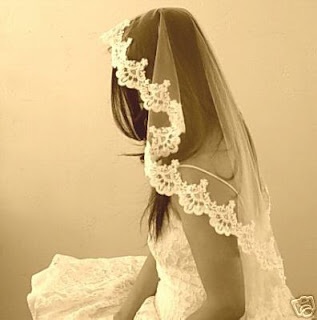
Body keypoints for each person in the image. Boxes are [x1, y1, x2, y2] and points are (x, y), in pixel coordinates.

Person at [27, 7, 310, 320]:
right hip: (167, 296)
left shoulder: (194, 175)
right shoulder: (194, 143)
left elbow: (227, 303)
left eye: (131, 85)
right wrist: (126, 310)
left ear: (152, 88)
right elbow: (167, 244)